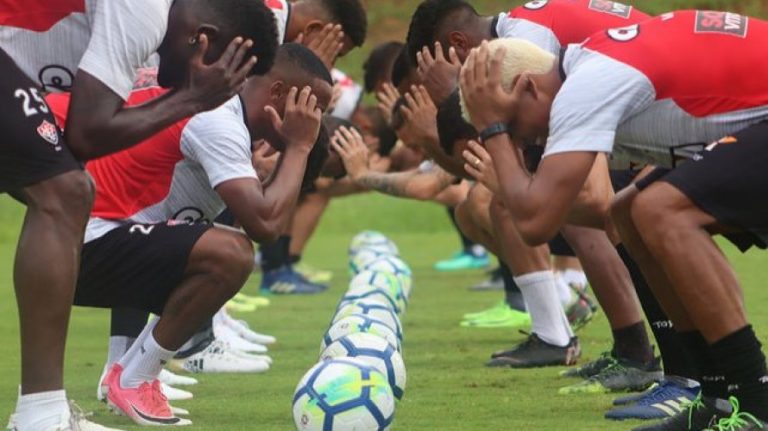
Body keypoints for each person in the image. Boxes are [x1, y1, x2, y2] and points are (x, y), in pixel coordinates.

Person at [458, 10, 768, 429]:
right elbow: (596, 207)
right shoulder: (587, 68)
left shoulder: (585, 87)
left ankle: (758, 402)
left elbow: (536, 223)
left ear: (529, 86)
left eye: (513, 125)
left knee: (661, 210)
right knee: (630, 211)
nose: (521, 142)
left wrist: (492, 132)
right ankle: (713, 396)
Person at [0, 0, 276, 428]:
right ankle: (41, 414)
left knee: (64, 187)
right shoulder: (143, 9)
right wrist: (191, 98)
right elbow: (88, 133)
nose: (225, 91)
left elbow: (69, 145)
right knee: (66, 192)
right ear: (203, 42)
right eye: (226, 77)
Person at [45, 43, 332, 425]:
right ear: (278, 93)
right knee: (230, 254)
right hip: (74, 249)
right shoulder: (217, 118)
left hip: (84, 241)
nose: (312, 120)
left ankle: (126, 374)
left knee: (215, 251)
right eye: (311, 107)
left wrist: (284, 160)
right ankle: (133, 378)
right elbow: (265, 227)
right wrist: (298, 146)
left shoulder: (230, 122)